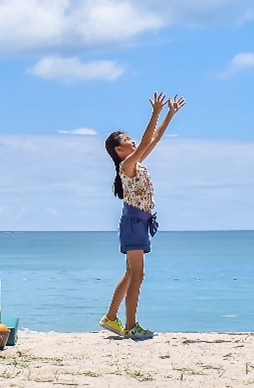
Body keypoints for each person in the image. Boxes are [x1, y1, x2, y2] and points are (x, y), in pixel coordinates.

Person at [99, 91, 186, 340]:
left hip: (139, 222)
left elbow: (153, 139)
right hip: (134, 222)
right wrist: (155, 112)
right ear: (119, 149)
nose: (133, 141)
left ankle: (111, 318)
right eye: (128, 140)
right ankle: (131, 325)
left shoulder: (134, 164)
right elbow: (148, 139)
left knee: (131, 274)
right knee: (137, 275)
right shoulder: (126, 165)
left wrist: (169, 115)